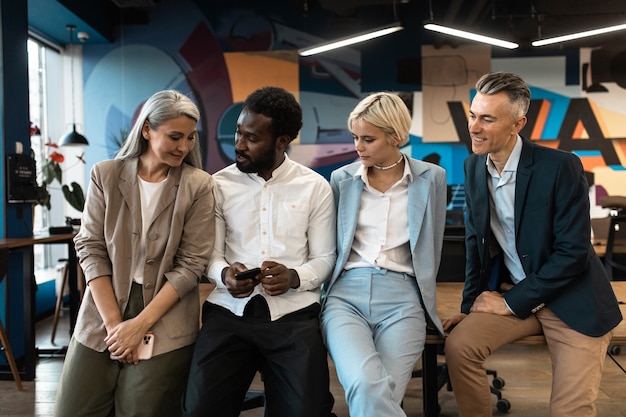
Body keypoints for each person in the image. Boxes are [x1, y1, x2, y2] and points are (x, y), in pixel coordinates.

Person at [443, 72, 623, 417]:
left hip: (572, 300)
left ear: (517, 124)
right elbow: (475, 243)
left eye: (487, 119)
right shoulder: (472, 166)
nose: (474, 128)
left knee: (569, 411)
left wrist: (510, 302)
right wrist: (470, 307)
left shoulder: (560, 167)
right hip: (516, 294)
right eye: (472, 115)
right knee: (460, 346)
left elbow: (572, 254)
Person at [54, 90, 215, 417]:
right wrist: (116, 326)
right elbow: (90, 247)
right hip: (104, 305)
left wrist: (140, 325)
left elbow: (191, 265)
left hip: (165, 312)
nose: (183, 147)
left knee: (139, 409)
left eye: (190, 138)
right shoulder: (106, 175)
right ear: (146, 130)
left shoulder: (199, 185)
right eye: (174, 136)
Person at [181, 86, 337, 417]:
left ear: (282, 141)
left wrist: (294, 277)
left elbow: (325, 258)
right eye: (238, 133)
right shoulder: (217, 185)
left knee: (308, 412)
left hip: (294, 316)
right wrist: (224, 275)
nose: (239, 145)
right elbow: (210, 255)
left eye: (252, 138)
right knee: (197, 411)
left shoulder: (315, 188)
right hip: (228, 313)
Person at [321, 92, 448, 416]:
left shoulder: (431, 178)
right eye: (355, 138)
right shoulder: (342, 179)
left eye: (368, 139)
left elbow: (431, 244)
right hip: (345, 297)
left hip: (403, 298)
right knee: (366, 386)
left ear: (396, 137)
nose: (358, 147)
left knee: (382, 393)